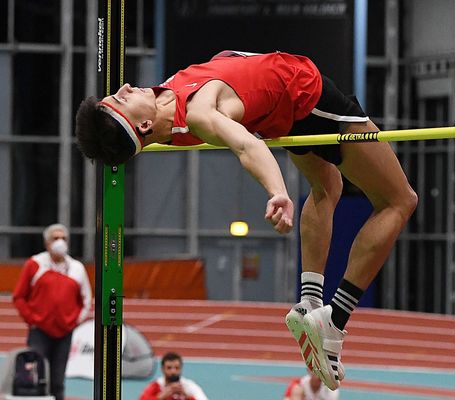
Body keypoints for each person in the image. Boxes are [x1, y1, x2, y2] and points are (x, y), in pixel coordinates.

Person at [75, 50, 417, 390]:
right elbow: (246, 147)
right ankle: (336, 320)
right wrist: (277, 191)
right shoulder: (199, 114)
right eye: (120, 98)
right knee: (398, 201)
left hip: (279, 106)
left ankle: (310, 304)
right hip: (304, 93)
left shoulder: (161, 99)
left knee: (327, 187)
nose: (125, 85)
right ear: (143, 125)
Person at [12, 223, 92, 400]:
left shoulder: (77, 268)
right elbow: (19, 296)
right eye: (55, 238)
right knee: (36, 376)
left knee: (58, 380)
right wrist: (31, 319)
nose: (60, 242)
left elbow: (86, 300)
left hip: (64, 332)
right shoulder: (34, 264)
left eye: (63, 238)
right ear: (47, 243)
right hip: (39, 331)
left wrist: (73, 322)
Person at [139, 352, 208, 400]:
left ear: (181, 369)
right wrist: (160, 397)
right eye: (169, 368)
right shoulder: (156, 386)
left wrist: (187, 396)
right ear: (162, 369)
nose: (173, 371)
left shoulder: (189, 386)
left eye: (176, 368)